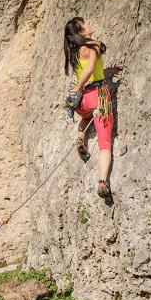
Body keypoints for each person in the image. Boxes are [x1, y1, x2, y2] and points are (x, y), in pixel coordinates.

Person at [63, 16, 120, 198]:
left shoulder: (75, 52)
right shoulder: (94, 45)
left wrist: (77, 93)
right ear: (81, 32)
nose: (90, 23)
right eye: (86, 23)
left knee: (86, 117)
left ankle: (81, 138)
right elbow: (89, 72)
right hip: (99, 97)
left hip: (84, 102)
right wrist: (77, 89)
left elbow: (89, 70)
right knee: (105, 143)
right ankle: (103, 181)